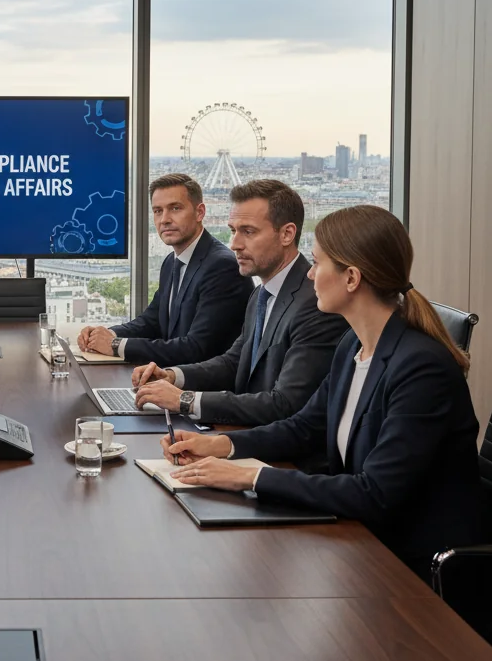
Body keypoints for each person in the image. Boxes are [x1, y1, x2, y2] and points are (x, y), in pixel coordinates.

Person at [160, 205, 480, 580]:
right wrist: (222, 447)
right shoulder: (352, 346)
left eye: (317, 263)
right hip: (360, 543)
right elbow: (304, 427)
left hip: (415, 570)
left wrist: (249, 478)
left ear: (351, 278)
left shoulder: (421, 368)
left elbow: (374, 492)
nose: (309, 274)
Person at [134, 179, 346, 425]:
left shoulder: (316, 304)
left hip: (278, 453)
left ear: (287, 234)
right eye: (233, 230)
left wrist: (186, 400)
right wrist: (173, 376)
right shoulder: (261, 293)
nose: (234, 244)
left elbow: (285, 404)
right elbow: (234, 362)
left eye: (248, 231)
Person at [77, 174, 251, 365]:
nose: (165, 219)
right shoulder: (171, 261)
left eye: (175, 208)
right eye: (158, 211)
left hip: (202, 388)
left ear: (199, 212)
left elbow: (196, 348)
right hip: (168, 381)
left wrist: (115, 344)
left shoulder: (222, 267)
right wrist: (105, 334)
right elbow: (152, 321)